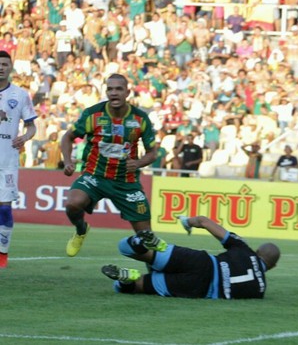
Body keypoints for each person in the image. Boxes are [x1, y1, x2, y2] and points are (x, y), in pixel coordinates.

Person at [60, 74, 158, 257]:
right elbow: (67, 137)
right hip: (94, 175)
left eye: (118, 89)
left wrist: (138, 163)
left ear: (127, 92)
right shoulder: (93, 114)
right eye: (110, 89)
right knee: (73, 204)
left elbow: (153, 153)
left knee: (147, 239)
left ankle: (155, 279)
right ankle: (81, 230)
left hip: (126, 182)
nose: (114, 93)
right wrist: (67, 161)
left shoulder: (140, 118)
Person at [101, 215, 280, 299]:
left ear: (258, 252)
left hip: (201, 262)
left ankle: (141, 241)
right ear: (272, 267)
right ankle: (127, 280)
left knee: (125, 248)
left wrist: (187, 222)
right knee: (128, 287)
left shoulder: (244, 249)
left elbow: (204, 221)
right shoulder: (260, 289)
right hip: (200, 288)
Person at [0, 50, 38, 268]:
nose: (1, 67)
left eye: (5, 64)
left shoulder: (20, 94)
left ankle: (2, 253)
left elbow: (32, 125)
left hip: (7, 162)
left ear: (11, 67)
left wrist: (25, 136)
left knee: (4, 208)